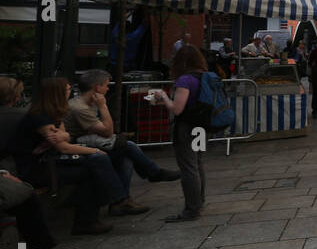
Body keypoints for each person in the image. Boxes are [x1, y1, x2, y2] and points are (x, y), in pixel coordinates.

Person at [11, 79, 142, 233]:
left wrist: (63, 135)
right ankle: (113, 202)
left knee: (103, 161)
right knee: (95, 165)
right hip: (37, 167)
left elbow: (65, 136)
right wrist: (94, 150)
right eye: (67, 90)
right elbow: (64, 147)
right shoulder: (40, 117)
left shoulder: (54, 113)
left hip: (50, 161)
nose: (70, 92)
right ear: (58, 93)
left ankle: (108, 205)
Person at [66, 70, 180, 202]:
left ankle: (123, 201)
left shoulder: (87, 103)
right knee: (128, 146)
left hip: (90, 142)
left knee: (126, 158)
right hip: (79, 148)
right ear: (97, 87)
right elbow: (108, 131)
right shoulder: (82, 107)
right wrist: (103, 106)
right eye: (106, 85)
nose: (108, 88)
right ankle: (152, 174)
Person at [148, 46, 212, 222]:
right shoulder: (205, 76)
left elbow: (177, 109)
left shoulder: (185, 80)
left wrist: (164, 97)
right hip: (202, 127)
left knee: (188, 167)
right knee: (198, 163)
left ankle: (192, 209)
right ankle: (199, 201)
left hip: (187, 127)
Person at [0, 78, 57, 249]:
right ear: (16, 97)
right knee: (25, 196)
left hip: (10, 172)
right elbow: (54, 139)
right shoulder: (25, 117)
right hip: (20, 172)